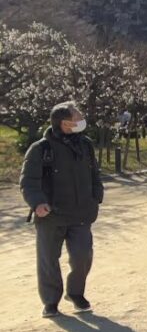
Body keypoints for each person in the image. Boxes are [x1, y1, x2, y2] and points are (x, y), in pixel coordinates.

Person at [20, 102, 103, 318]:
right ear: (65, 123)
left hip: (81, 212)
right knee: (48, 259)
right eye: (77, 116)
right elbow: (28, 180)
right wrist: (37, 202)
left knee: (82, 255)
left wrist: (97, 195)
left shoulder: (85, 144)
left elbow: (94, 172)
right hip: (51, 215)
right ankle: (50, 301)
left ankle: (75, 293)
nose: (82, 118)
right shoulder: (40, 149)